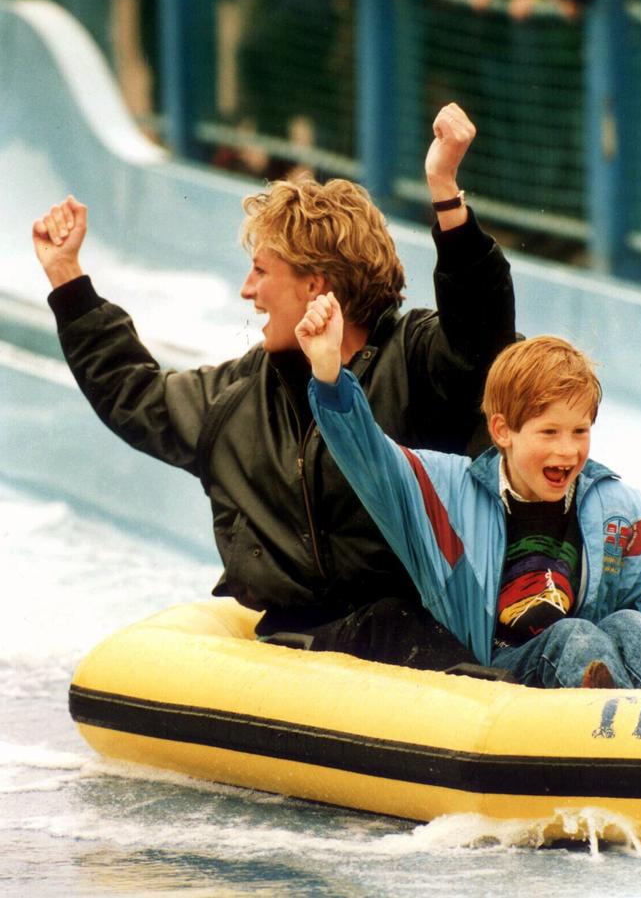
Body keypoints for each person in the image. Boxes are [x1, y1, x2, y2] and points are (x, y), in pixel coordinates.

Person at [32, 102, 515, 670]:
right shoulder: (240, 399)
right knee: (377, 630)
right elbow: (134, 395)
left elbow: (482, 337)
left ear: (315, 285)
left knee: (400, 626)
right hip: (305, 641)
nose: (247, 290)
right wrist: (67, 278)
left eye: (261, 271)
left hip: (435, 624)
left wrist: (445, 192)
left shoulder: (419, 360)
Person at [299, 312, 641, 688]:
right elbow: (369, 456)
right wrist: (328, 372)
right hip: (504, 677)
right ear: (502, 431)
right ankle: (609, 739)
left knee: (631, 627)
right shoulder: (446, 492)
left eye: (580, 431)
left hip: (586, 669)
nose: (567, 451)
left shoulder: (617, 509)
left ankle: (631, 737)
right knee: (573, 636)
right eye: (549, 432)